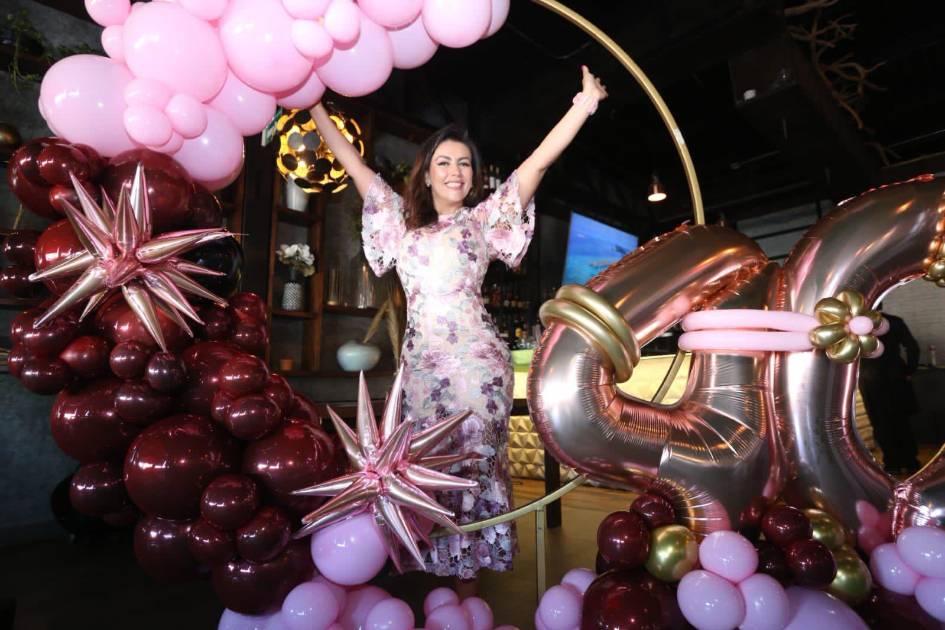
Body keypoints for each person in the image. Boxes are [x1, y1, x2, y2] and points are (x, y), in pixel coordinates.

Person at [311, 66, 608, 592]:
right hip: (421, 370)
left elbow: (537, 163)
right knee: (428, 465)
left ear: (473, 176)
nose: (455, 171)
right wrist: (313, 106)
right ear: (426, 175)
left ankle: (472, 587)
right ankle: (442, 581)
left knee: (474, 462)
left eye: (464, 164)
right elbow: (352, 162)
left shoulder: (484, 220)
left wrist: (583, 104)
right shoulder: (397, 221)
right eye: (444, 163)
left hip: (478, 365)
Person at [859, 309, 921, 474]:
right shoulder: (895, 321)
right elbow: (912, 347)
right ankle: (911, 461)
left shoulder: (856, 325)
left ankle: (892, 463)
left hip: (870, 379)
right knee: (901, 421)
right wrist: (909, 370)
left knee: (880, 422)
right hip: (895, 376)